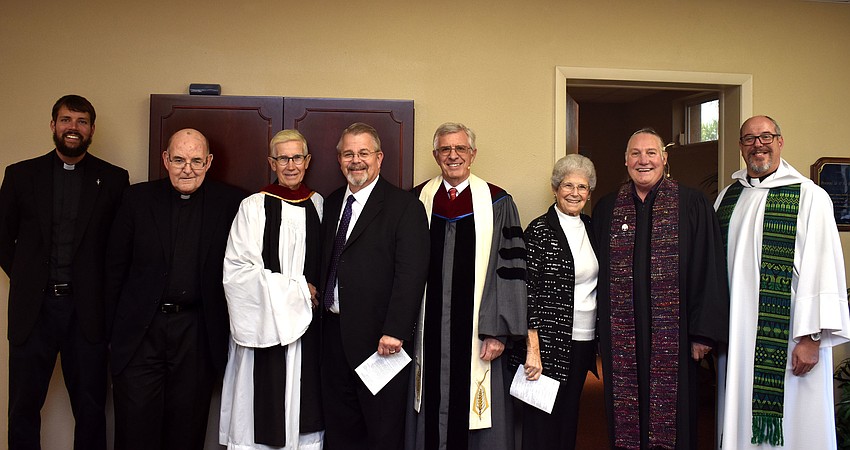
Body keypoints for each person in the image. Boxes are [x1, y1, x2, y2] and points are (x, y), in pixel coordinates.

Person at [0, 94, 128, 450]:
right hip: (33, 312)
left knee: (90, 409)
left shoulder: (114, 180)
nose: (74, 128)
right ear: (53, 125)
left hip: (86, 313)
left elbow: (119, 249)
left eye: (82, 121)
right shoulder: (21, 175)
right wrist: (27, 278)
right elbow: (2, 238)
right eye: (67, 120)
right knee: (23, 407)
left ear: (91, 130)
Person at [715, 115, 850, 449]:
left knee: (796, 426)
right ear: (741, 146)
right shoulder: (727, 198)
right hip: (735, 336)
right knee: (738, 415)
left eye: (766, 137)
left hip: (790, 337)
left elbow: (824, 268)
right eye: (749, 139)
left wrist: (812, 338)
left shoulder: (810, 196)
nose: (758, 145)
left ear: (780, 141)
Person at [106, 128, 243, 450]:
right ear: (165, 160)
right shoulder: (136, 199)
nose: (187, 169)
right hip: (141, 331)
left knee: (187, 427)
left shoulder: (232, 203)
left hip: (196, 332)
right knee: (135, 425)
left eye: (197, 161)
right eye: (179, 159)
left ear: (209, 162)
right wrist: (110, 334)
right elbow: (113, 269)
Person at [591, 128, 728, 449]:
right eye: (636, 154)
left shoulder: (691, 204)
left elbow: (708, 268)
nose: (643, 160)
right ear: (625, 161)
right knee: (625, 410)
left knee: (674, 418)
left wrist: (702, 334)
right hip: (621, 335)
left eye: (651, 153)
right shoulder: (608, 208)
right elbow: (594, 274)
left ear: (664, 159)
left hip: (676, 336)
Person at [406, 122, 527, 450]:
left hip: (479, 331)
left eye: (460, 148)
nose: (453, 155)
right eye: (445, 149)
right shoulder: (418, 201)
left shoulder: (497, 202)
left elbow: (511, 270)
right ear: (436, 155)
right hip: (427, 331)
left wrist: (497, 330)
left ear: (472, 154)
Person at [319, 122, 429, 450]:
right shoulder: (332, 201)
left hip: (380, 343)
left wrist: (395, 331)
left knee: (381, 431)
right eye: (348, 154)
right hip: (333, 338)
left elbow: (412, 273)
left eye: (363, 153)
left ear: (379, 158)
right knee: (340, 429)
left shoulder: (404, 207)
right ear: (339, 160)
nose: (356, 161)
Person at [219, 129, 324, 449]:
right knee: (261, 414)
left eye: (296, 158)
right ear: (271, 162)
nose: (290, 165)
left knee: (305, 411)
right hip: (263, 328)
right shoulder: (252, 207)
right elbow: (236, 274)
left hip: (311, 333)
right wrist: (296, 289)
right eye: (282, 158)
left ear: (307, 162)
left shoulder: (320, 204)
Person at [519, 154, 598, 450]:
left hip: (584, 339)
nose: (574, 193)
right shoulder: (539, 231)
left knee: (569, 414)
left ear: (589, 192)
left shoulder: (592, 228)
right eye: (568, 185)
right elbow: (527, 293)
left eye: (582, 187)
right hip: (548, 342)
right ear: (555, 188)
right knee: (542, 416)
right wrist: (533, 350)